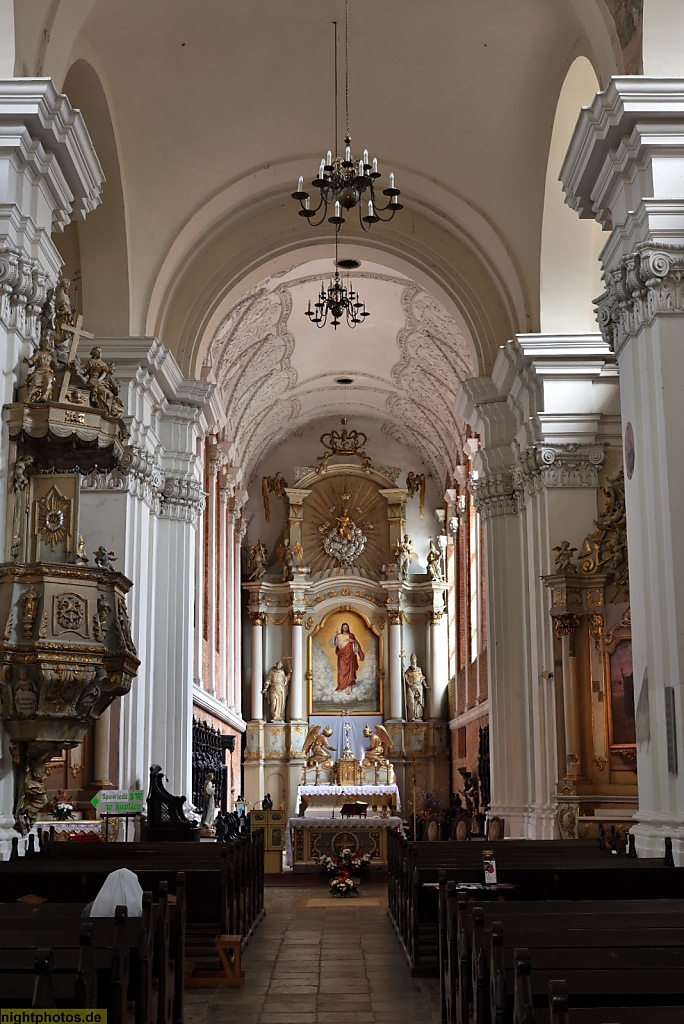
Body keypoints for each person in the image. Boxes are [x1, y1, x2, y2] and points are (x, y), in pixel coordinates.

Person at [329, 621, 365, 692]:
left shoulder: (351, 635)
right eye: (344, 627)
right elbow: (333, 644)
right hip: (342, 656)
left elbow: (356, 644)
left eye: (346, 627)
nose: (345, 628)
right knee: (342, 671)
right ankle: (341, 686)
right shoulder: (338, 635)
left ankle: (348, 686)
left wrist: (353, 641)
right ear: (342, 628)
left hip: (350, 655)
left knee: (350, 670)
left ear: (348, 628)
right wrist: (335, 636)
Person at [404, 653, 428, 721]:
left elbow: (422, 678)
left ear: (416, 662)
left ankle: (418, 716)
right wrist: (404, 675)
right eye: (412, 662)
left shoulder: (419, 670)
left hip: (419, 688)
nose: (413, 663)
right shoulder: (408, 671)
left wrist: (426, 686)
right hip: (410, 688)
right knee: (411, 702)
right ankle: (411, 717)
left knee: (418, 703)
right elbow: (405, 677)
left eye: (414, 662)